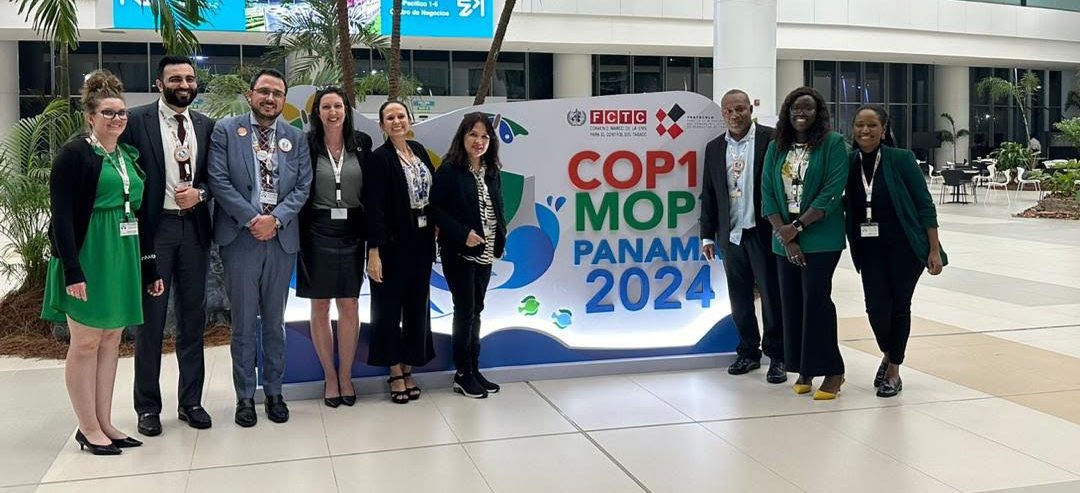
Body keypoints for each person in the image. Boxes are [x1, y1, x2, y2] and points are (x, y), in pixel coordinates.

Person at [42, 69, 165, 454]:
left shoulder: (126, 155)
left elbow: (139, 214)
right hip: (89, 253)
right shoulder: (75, 154)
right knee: (86, 342)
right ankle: (87, 427)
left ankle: (105, 421)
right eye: (108, 113)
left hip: (123, 253)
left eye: (121, 112)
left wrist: (149, 266)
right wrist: (72, 269)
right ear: (90, 116)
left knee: (112, 339)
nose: (117, 118)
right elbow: (61, 217)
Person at [207, 69, 312, 426]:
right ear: (250, 95)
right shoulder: (226, 130)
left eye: (277, 93)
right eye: (264, 91)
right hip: (241, 239)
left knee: (274, 322)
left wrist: (276, 219)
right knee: (242, 324)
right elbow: (218, 180)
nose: (270, 98)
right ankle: (244, 397)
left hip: (280, 240)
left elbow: (303, 186)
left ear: (284, 100)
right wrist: (253, 219)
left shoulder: (296, 138)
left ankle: (275, 392)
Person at [123, 55, 215, 436]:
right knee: (151, 322)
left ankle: (190, 401)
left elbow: (213, 177)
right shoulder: (136, 121)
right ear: (159, 84)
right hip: (155, 230)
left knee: (193, 319)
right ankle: (147, 407)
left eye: (189, 78)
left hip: (194, 230)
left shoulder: (205, 125)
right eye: (175, 79)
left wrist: (201, 193)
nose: (184, 85)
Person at [845, 105, 947, 398]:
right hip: (869, 249)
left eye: (872, 125)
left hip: (904, 248)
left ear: (883, 129)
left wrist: (934, 249)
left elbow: (924, 204)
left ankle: (893, 371)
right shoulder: (849, 162)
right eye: (860, 125)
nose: (865, 130)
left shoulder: (901, 159)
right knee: (876, 308)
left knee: (899, 307)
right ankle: (889, 353)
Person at [761, 86, 849, 400]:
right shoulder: (777, 146)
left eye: (808, 108)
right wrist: (785, 235)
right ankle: (805, 368)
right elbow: (767, 192)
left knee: (816, 302)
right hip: (783, 238)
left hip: (821, 237)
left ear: (818, 113)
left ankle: (834, 371)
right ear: (787, 112)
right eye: (796, 107)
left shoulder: (833, 143)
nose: (801, 113)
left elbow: (831, 192)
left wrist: (797, 227)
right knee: (792, 304)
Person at [698, 89, 785, 384]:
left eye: (740, 109)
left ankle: (778, 356)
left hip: (763, 232)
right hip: (730, 235)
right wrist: (707, 236)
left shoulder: (771, 139)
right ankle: (748, 351)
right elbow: (709, 193)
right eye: (728, 111)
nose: (734, 115)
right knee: (739, 298)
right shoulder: (714, 148)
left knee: (772, 297)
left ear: (750, 109)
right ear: (722, 113)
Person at [297, 87, 373, 408]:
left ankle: (346, 375)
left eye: (338, 106)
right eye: (326, 107)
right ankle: (330, 376)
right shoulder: (306, 144)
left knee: (350, 304)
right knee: (320, 306)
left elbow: (370, 191)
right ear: (317, 113)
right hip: (316, 230)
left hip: (353, 231)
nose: (332, 112)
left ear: (346, 110)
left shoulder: (362, 143)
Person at [430, 113, 508, 399]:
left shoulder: (491, 170)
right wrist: (463, 233)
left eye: (485, 136)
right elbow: (434, 210)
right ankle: (462, 374)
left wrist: (500, 236)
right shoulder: (450, 170)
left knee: (477, 310)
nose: (479, 141)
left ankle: (474, 369)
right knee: (464, 310)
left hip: (486, 253)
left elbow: (497, 207)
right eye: (473, 134)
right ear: (462, 137)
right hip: (459, 253)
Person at [364, 100, 436, 404]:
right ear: (382, 125)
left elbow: (434, 192)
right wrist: (374, 252)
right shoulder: (379, 159)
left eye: (401, 116)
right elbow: (374, 208)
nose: (396, 121)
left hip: (422, 242)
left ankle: (409, 367)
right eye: (390, 117)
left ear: (410, 120)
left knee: (417, 308)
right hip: (391, 246)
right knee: (388, 310)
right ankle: (394, 372)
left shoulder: (418, 151)